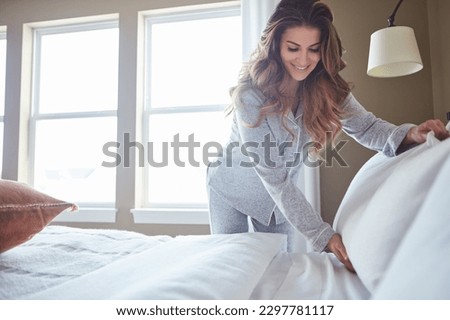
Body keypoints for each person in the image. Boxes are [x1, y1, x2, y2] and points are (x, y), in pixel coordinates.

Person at [205, 0, 449, 272]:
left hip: (278, 202)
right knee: (229, 265)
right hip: (230, 186)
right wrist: (323, 235)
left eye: (314, 49)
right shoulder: (249, 97)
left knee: (277, 269)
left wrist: (409, 134)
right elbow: (275, 178)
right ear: (275, 47)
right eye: (293, 48)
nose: (303, 60)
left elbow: (366, 127)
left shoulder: (329, 89)